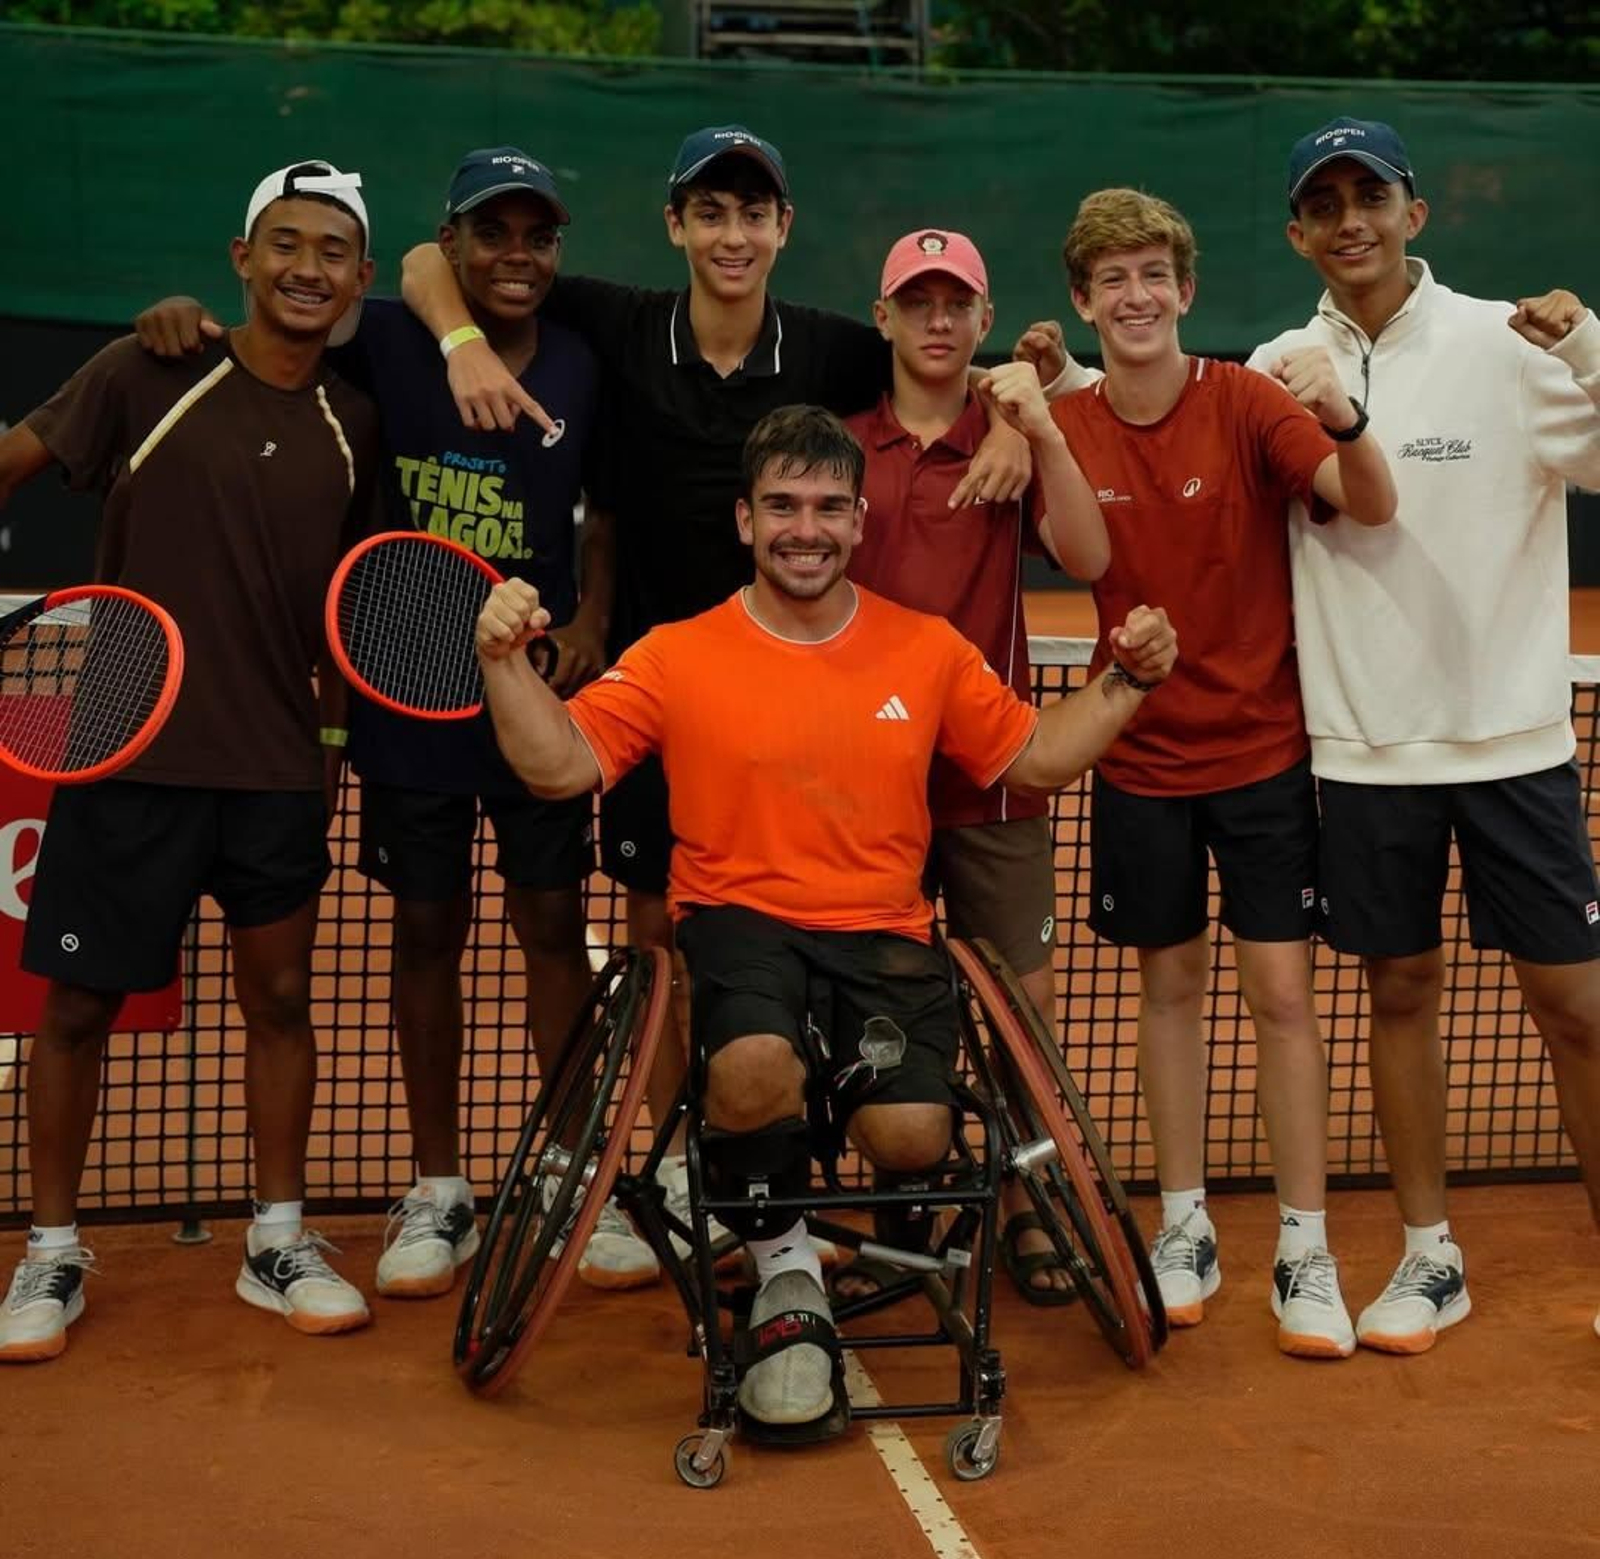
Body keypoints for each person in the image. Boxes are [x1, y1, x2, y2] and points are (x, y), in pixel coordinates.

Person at [400, 126, 1030, 1287]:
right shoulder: (623, 320)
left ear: (782, 230)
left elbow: (945, 368)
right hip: (662, 687)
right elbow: (423, 263)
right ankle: (683, 1155)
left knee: (798, 930)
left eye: (754, 215)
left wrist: (1025, 388)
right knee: (656, 933)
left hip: (799, 683)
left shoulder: (833, 349)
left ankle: (796, 1128)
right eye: (711, 213)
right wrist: (460, 349)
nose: (732, 236)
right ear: (675, 226)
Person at [472, 403, 1175, 1426]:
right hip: (738, 923)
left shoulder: (924, 650)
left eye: (829, 509)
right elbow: (557, 765)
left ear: (857, 524)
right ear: (746, 522)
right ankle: (789, 1270)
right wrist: (502, 663)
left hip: (884, 936)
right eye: (784, 507)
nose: (807, 528)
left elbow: (1031, 758)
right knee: (754, 1067)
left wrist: (1126, 680)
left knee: (911, 1136)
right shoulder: (678, 653)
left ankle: (815, 1213)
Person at [134, 147, 617, 1299]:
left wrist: (595, 611)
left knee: (554, 932)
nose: (516, 255)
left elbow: (612, 511)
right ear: (449, 248)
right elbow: (295, 318)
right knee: (424, 936)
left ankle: (561, 1171)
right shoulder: (392, 335)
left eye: (536, 236)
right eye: (489, 233)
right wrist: (183, 318)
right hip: (407, 694)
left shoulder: (587, 364)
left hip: (536, 698)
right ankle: (440, 1185)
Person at [0, 160, 381, 1360]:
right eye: (285, 242)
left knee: (280, 1002)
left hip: (272, 766)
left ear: (361, 278)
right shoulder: (148, 370)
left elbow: (344, 613)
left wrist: (325, 749)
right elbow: (13, 457)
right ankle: (48, 1254)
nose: (306, 267)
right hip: (127, 745)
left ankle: (276, 1238)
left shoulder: (353, 421)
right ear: (240, 256)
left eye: (330, 250)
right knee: (77, 1008)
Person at [1015, 187, 1398, 1359]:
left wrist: (1342, 420)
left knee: (1282, 999)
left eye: (1152, 276)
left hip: (1265, 759)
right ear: (1083, 304)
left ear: (1185, 291)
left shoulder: (1243, 400)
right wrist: (1032, 413)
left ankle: (1304, 1245)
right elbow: (1080, 556)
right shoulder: (1068, 428)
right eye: (1110, 281)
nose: (1134, 297)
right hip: (1140, 761)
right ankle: (1181, 1224)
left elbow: (1370, 506)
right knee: (1166, 994)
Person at [1250, 117, 1600, 1350]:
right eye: (1325, 203)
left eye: (1371, 196)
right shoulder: (1276, 363)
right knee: (1398, 994)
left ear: (1416, 213)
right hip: (1361, 748)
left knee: (1576, 1009)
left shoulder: (1513, 342)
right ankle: (1427, 1253)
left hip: (1513, 743)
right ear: (1298, 233)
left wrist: (1592, 349)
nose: (1351, 219)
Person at [838, 227, 1107, 1303]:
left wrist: (1029, 422)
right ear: (884, 317)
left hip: (994, 782)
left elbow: (1089, 556)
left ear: (983, 321)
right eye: (919, 302)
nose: (938, 320)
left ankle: (1033, 1212)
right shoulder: (840, 452)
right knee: (884, 1020)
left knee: (1021, 1020)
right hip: (864, 795)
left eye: (958, 304)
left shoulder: (1010, 444)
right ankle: (902, 1217)